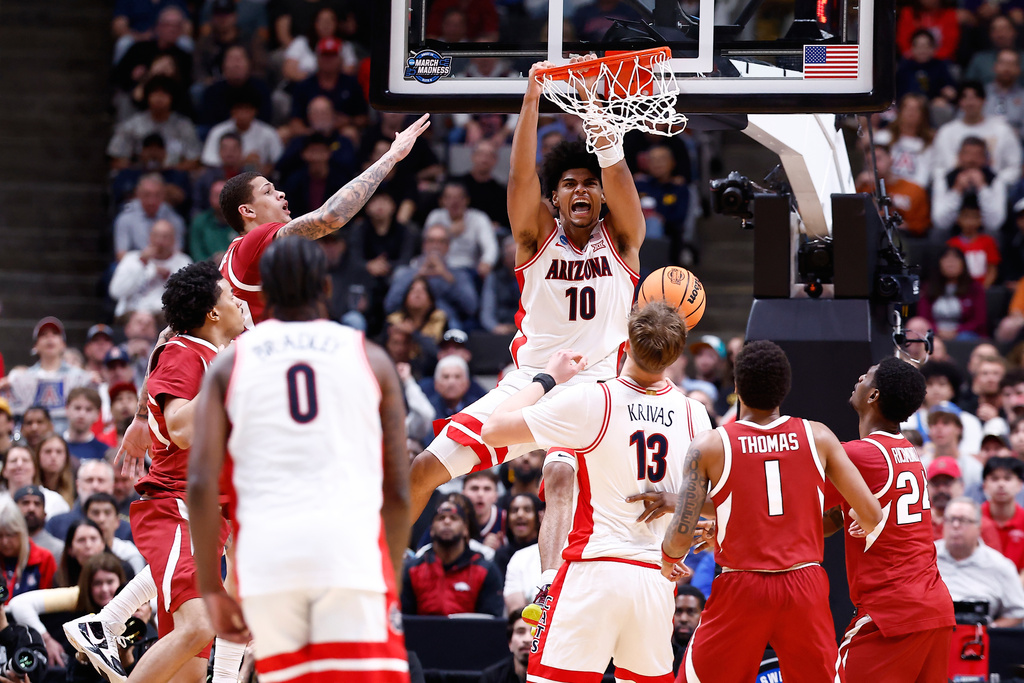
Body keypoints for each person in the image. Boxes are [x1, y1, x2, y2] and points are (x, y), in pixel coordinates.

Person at [408, 55, 647, 523]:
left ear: (600, 197)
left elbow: (617, 172)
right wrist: (533, 93)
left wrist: (591, 102)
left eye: (590, 185)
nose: (582, 190)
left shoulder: (622, 238)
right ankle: (383, 583)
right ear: (554, 198)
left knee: (569, 488)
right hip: (532, 382)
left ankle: (552, 591)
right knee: (422, 471)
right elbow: (520, 177)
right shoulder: (535, 236)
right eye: (569, 184)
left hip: (599, 388)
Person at [188, 236, 412, 681]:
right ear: (326, 288)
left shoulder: (230, 365)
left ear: (264, 293)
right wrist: (391, 575)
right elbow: (399, 491)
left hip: (271, 558)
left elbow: (199, 485)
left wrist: (212, 590)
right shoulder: (372, 358)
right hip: (350, 555)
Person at [480, 301, 711, 683]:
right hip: (656, 580)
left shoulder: (594, 401)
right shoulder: (695, 414)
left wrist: (547, 378)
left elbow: (494, 429)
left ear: (627, 343)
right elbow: (711, 498)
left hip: (593, 572)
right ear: (677, 352)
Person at [659, 340, 883, 683]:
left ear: (735, 387)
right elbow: (870, 514)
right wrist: (825, 521)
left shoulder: (710, 444)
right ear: (785, 389)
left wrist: (669, 557)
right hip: (804, 583)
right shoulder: (818, 436)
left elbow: (680, 535)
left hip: (741, 584)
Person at [112, 261, 245, 683]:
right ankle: (104, 624)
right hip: (176, 511)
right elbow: (183, 428)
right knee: (202, 626)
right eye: (229, 294)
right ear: (212, 313)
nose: (239, 299)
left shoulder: (212, 356)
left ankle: (106, 621)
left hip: (204, 520)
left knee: (188, 672)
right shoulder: (185, 352)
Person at [213, 113, 428, 328]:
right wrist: (391, 157)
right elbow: (329, 216)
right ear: (247, 211)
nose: (280, 194)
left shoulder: (242, 251)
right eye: (268, 192)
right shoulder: (255, 240)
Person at [821, 358, 954, 682]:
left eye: (865, 376)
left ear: (873, 396)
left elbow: (779, 504)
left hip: (890, 616)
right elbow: (830, 520)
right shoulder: (909, 452)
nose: (859, 377)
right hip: (933, 610)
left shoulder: (857, 455)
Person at [401, 500, 504, 617]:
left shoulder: (485, 570)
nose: (447, 521)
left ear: (466, 529)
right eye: (441, 518)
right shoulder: (412, 570)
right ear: (431, 530)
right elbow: (404, 621)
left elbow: (491, 622)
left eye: (454, 518)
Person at [935, 497, 1024, 626]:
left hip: (977, 639)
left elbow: (1018, 611)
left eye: (963, 520)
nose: (955, 525)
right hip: (929, 637)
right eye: (951, 519)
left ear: (979, 526)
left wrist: (991, 630)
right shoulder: (926, 558)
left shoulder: (1000, 565)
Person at [4, 318, 91, 434]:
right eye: (44, 335)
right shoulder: (22, 378)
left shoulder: (80, 377)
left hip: (70, 436)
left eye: (55, 334)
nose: (50, 338)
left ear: (63, 344)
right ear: (35, 346)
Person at [109, 218, 193, 318]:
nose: (160, 241)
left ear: (173, 240)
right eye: (156, 236)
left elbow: (187, 299)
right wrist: (142, 263)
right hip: (132, 314)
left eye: (165, 237)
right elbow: (116, 292)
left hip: (164, 317)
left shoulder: (183, 262)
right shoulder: (132, 259)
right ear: (149, 237)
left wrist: (170, 278)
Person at [0, 501, 55, 603]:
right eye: (0, 535)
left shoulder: (44, 558)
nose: (5, 542)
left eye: (10, 535)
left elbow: (49, 603)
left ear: (22, 533)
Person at [1, 444, 70, 519]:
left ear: (34, 469)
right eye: (13, 461)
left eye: (25, 460)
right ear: (4, 471)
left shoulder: (54, 501)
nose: (19, 465)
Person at [980, 456, 1024, 570]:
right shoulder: (973, 519)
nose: (1001, 484)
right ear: (984, 485)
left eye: (1007, 478)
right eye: (994, 479)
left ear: (1020, 485)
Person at [479, 609, 531, 683]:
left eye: (534, 632)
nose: (527, 639)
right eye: (520, 632)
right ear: (510, 643)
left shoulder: (552, 677)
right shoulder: (492, 678)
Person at [15, 486, 64, 562]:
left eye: (37, 504)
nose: (31, 508)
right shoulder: (6, 545)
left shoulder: (57, 549)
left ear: (45, 513)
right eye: (25, 503)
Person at [63, 389, 109, 461]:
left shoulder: (104, 451)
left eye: (88, 409)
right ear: (67, 409)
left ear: (97, 415)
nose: (82, 414)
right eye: (77, 408)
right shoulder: (53, 448)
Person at [34, 435, 75, 507]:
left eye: (59, 452)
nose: (53, 456)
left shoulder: (75, 487)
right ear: (38, 456)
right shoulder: (30, 487)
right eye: (48, 451)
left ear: (66, 457)